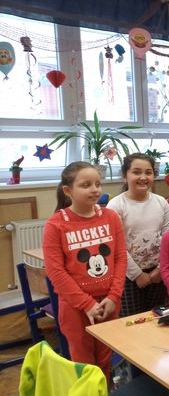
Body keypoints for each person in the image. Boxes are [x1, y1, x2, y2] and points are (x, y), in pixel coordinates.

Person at [43, 162, 126, 378]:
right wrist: (86, 304)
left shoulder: (110, 217)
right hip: (75, 308)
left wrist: (114, 296)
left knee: (105, 360)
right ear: (68, 190)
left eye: (97, 184)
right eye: (86, 185)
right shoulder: (55, 225)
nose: (95, 189)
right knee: (84, 366)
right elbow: (56, 272)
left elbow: (119, 258)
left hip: (108, 303)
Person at [107, 153, 169, 317]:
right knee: (131, 322)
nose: (143, 177)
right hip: (128, 275)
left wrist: (161, 268)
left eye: (148, 172)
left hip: (157, 273)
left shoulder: (161, 202)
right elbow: (116, 246)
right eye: (136, 172)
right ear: (125, 176)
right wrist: (137, 274)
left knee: (157, 319)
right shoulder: (115, 205)